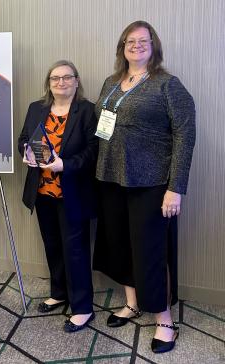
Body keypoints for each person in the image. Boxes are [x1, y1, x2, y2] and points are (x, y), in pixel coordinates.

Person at [93, 21, 195, 353]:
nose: (136, 45)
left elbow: (185, 136)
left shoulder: (168, 85)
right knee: (119, 243)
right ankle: (132, 302)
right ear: (122, 46)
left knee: (151, 251)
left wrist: (175, 187)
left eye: (143, 40)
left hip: (151, 183)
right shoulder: (111, 82)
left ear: (154, 45)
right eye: (129, 40)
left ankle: (164, 320)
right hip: (111, 177)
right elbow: (102, 127)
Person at [18, 60, 98, 332]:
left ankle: (83, 308)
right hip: (42, 191)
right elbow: (23, 140)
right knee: (52, 244)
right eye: (55, 78)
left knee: (75, 250)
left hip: (73, 192)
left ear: (77, 81)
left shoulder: (87, 111)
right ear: (48, 83)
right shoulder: (36, 108)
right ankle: (59, 292)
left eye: (67, 77)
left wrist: (65, 164)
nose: (61, 83)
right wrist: (27, 154)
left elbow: (93, 151)